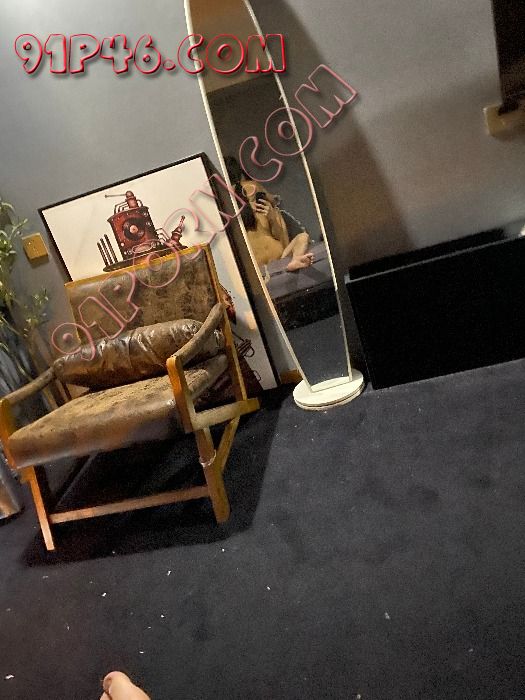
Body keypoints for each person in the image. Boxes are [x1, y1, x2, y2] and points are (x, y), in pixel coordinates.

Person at [225, 156, 314, 272]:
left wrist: (271, 216)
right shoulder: (235, 218)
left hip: (278, 258)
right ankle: (294, 261)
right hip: (265, 262)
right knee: (302, 236)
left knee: (303, 236)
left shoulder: (265, 211)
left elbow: (282, 240)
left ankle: (295, 261)